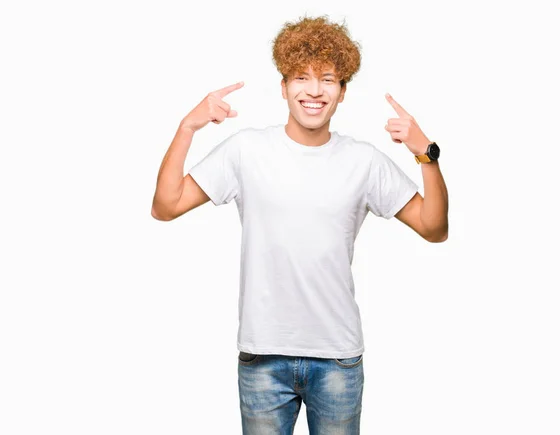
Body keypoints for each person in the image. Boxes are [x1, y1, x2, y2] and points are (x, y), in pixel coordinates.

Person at [151, 14, 448, 435]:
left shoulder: (363, 161)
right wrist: (188, 127)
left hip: (338, 360)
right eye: (301, 78)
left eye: (327, 79)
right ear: (284, 87)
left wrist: (426, 155)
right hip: (263, 358)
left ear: (343, 91)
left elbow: (434, 228)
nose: (313, 90)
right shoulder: (246, 150)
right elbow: (166, 205)